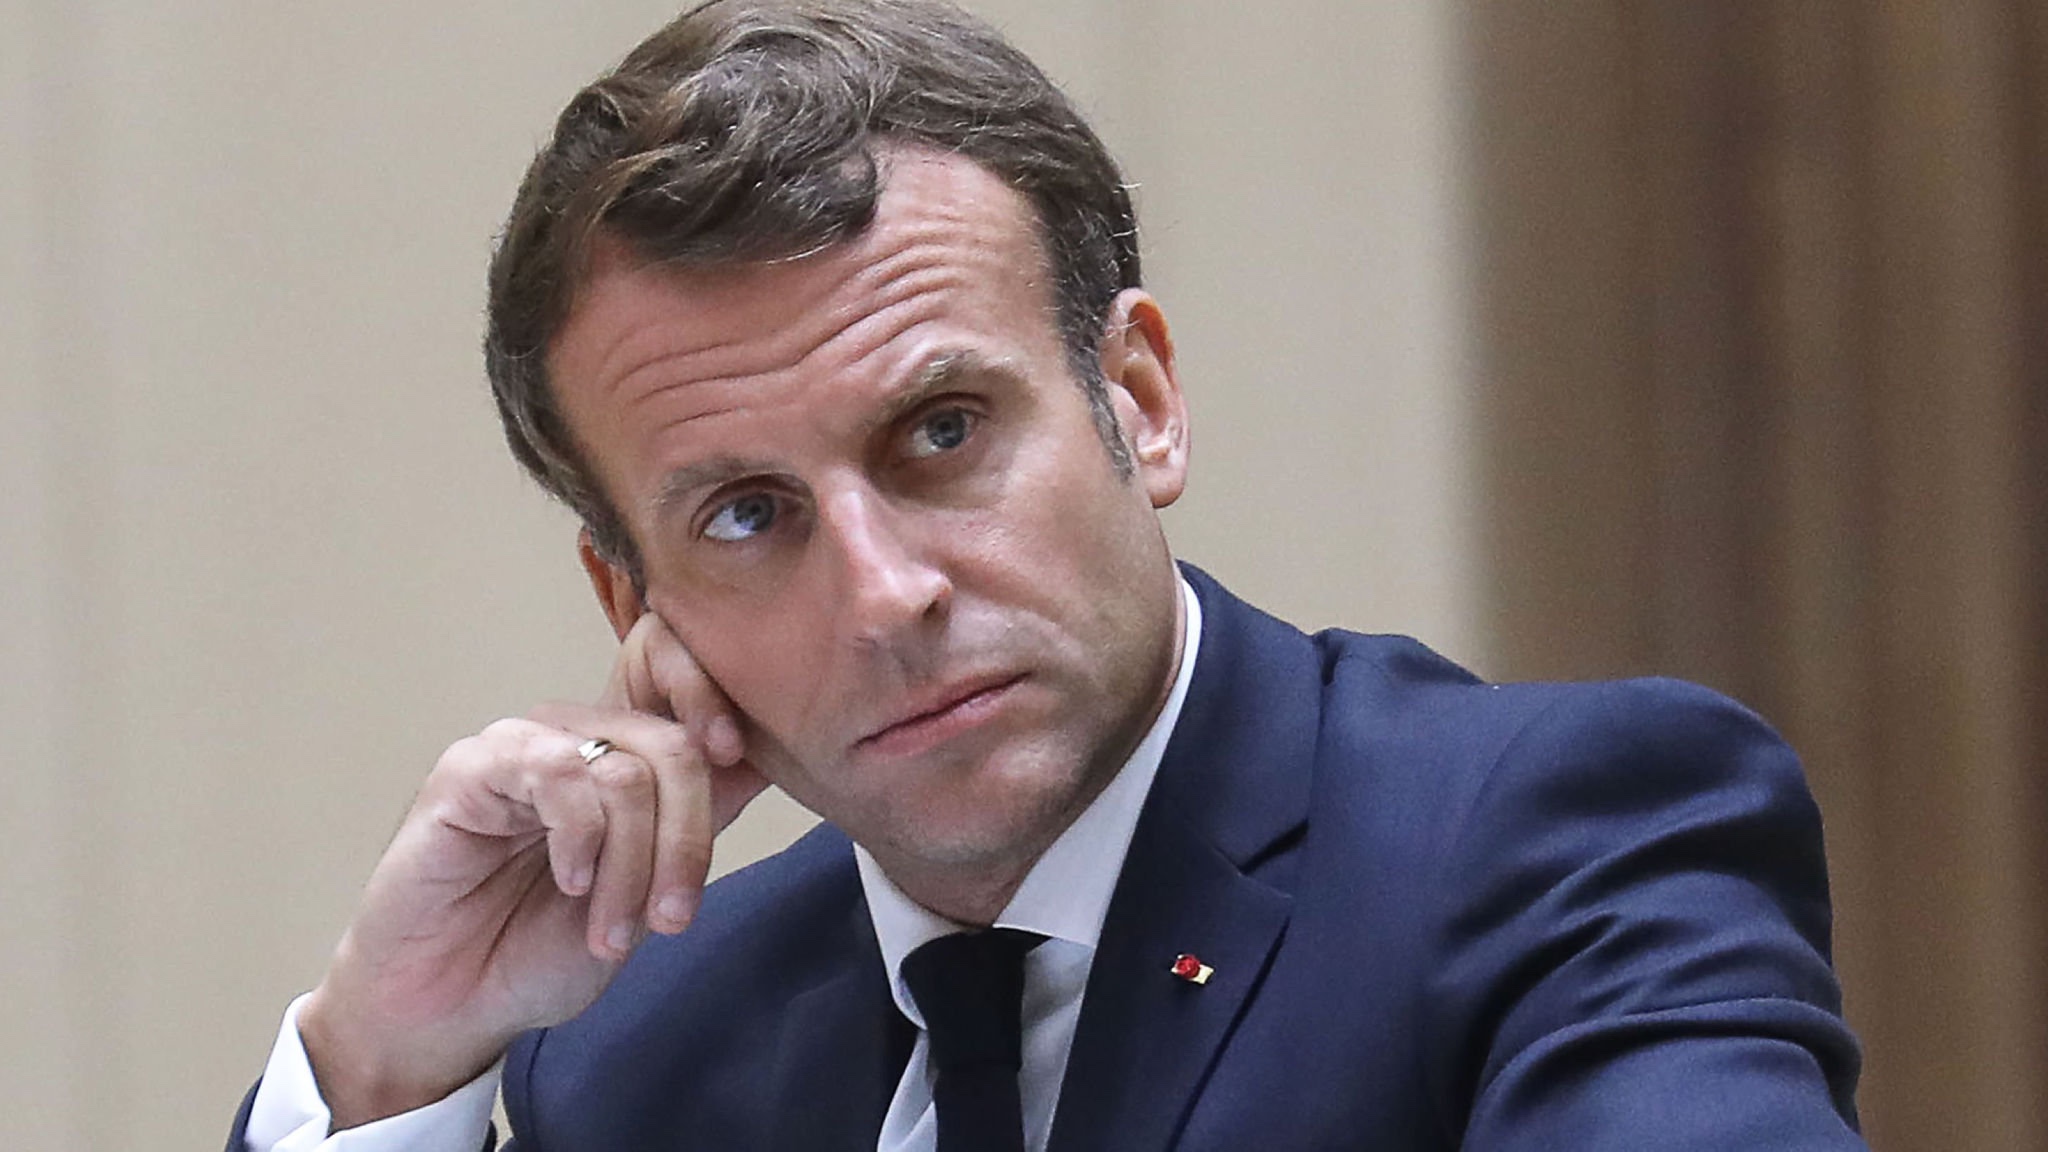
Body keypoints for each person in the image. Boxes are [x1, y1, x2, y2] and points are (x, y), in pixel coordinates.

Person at [227, 1, 1866, 1148]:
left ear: (1137, 402)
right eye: (746, 515)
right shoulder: (646, 1049)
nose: (883, 595)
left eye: (941, 432)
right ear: (632, 607)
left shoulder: (1556, 843)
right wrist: (390, 1059)